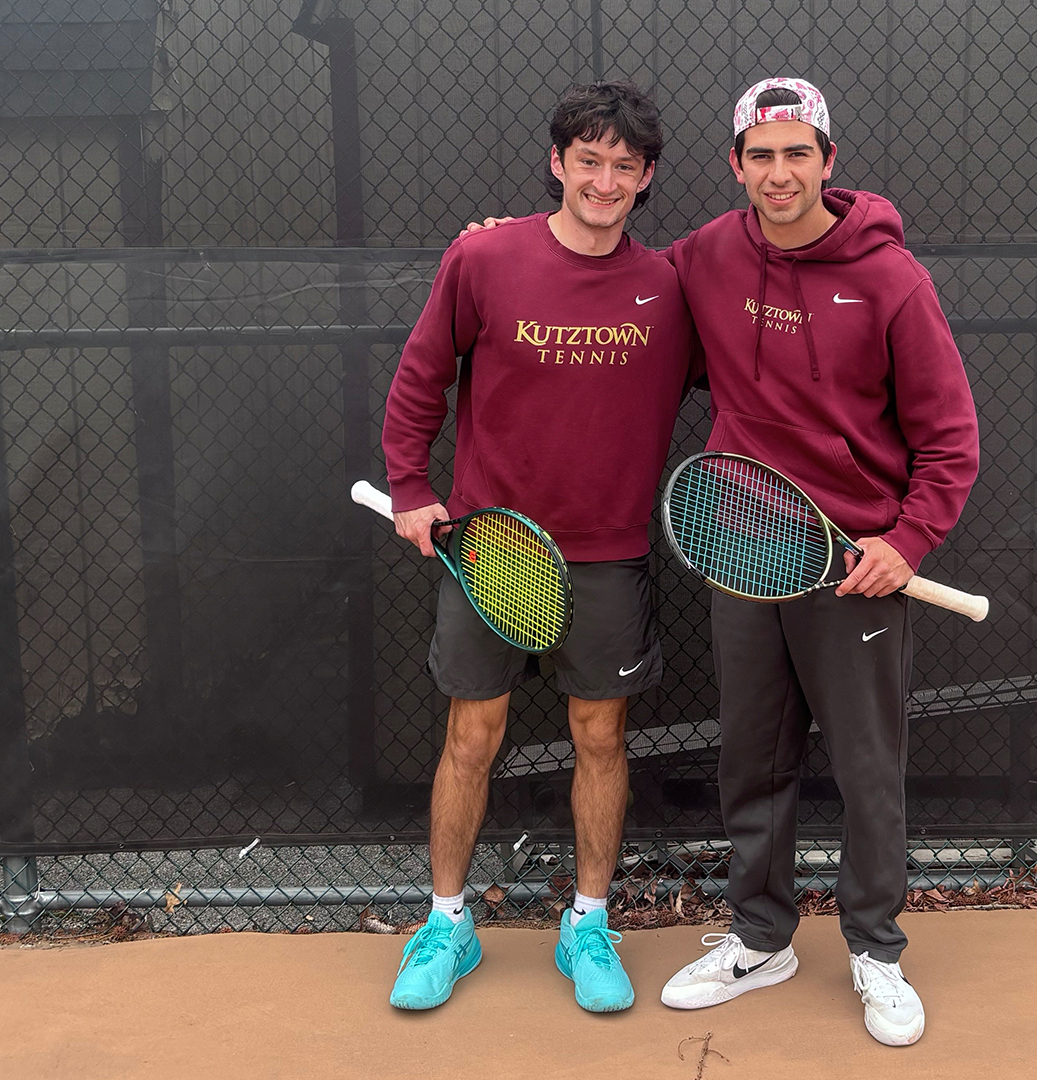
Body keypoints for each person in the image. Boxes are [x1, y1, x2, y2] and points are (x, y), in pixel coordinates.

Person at [648, 76, 980, 1048]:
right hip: (744, 546)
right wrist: (511, 244)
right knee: (752, 755)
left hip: (855, 567)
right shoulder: (705, 253)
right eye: (763, 155)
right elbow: (608, 282)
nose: (780, 171)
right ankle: (762, 936)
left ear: (829, 163)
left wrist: (904, 542)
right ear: (737, 166)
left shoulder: (890, 279)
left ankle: (875, 949)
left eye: (799, 153)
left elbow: (950, 438)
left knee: (869, 765)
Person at [380, 80, 697, 1014]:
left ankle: (589, 923)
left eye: (624, 167)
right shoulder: (483, 257)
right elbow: (420, 378)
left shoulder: (672, 284)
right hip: (488, 546)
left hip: (608, 554)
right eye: (587, 160)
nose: (604, 180)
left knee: (600, 736)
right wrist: (411, 489)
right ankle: (446, 923)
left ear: (645, 180)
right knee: (470, 734)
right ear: (558, 163)